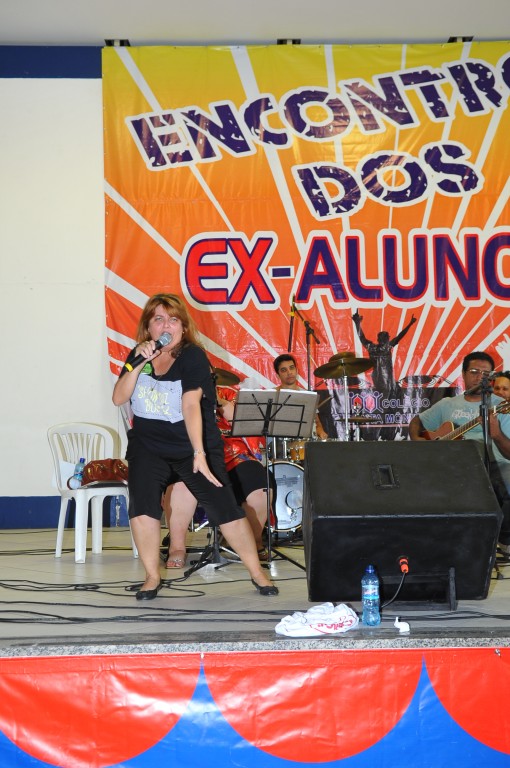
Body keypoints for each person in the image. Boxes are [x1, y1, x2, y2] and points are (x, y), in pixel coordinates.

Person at [112, 293, 278, 599]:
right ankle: (152, 576)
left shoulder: (192, 357)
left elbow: (190, 405)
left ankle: (258, 573)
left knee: (224, 507)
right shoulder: (138, 355)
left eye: (173, 319)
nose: (166, 325)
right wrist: (137, 363)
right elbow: (119, 397)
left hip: (192, 444)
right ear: (148, 327)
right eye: (159, 319)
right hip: (148, 445)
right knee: (142, 506)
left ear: (183, 327)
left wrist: (199, 454)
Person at [163, 382, 275, 567]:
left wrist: (220, 402)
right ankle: (177, 548)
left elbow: (247, 425)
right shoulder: (175, 392)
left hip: (234, 456)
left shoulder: (228, 393)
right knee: (181, 486)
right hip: (190, 456)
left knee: (260, 489)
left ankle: (252, 541)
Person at [408, 351, 510, 551]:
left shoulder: (501, 406)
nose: (480, 377)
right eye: (474, 371)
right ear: (463, 374)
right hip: (450, 466)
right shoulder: (448, 404)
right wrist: (418, 440)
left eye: (486, 374)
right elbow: (416, 422)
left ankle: (502, 541)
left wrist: (497, 434)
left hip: (494, 465)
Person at [273, 353, 328, 440]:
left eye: (291, 368)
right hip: (279, 443)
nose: (289, 372)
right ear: (277, 375)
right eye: (284, 370)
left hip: (304, 443)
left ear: (297, 370)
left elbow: (317, 423)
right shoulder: (272, 395)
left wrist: (321, 432)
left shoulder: (308, 395)